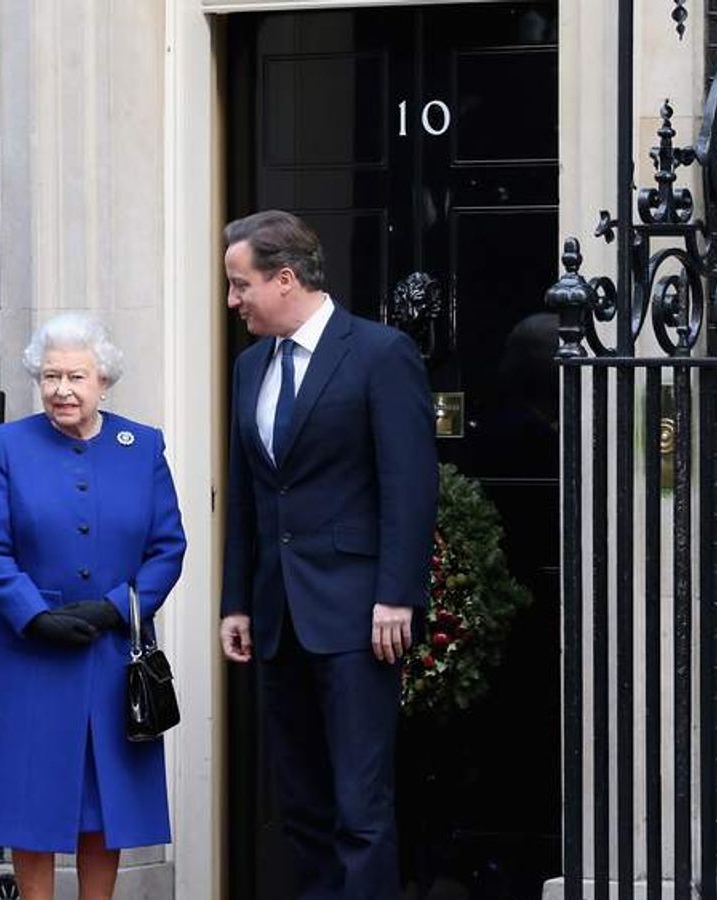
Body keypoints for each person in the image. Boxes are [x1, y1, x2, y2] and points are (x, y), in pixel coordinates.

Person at [219, 210, 439, 899]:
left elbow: (410, 483)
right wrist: (236, 601)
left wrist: (397, 594)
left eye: (239, 284)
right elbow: (251, 493)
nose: (232, 302)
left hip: (357, 615)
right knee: (303, 805)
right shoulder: (251, 365)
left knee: (359, 805)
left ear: (284, 279)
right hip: (278, 614)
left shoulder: (378, 353)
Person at [0, 312, 187, 900]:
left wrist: (117, 609)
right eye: (50, 376)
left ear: (104, 382)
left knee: (104, 800)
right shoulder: (10, 444)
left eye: (76, 377)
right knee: (29, 801)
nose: (62, 390)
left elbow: (168, 547)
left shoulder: (141, 447)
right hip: (30, 653)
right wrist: (33, 614)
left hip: (111, 650)